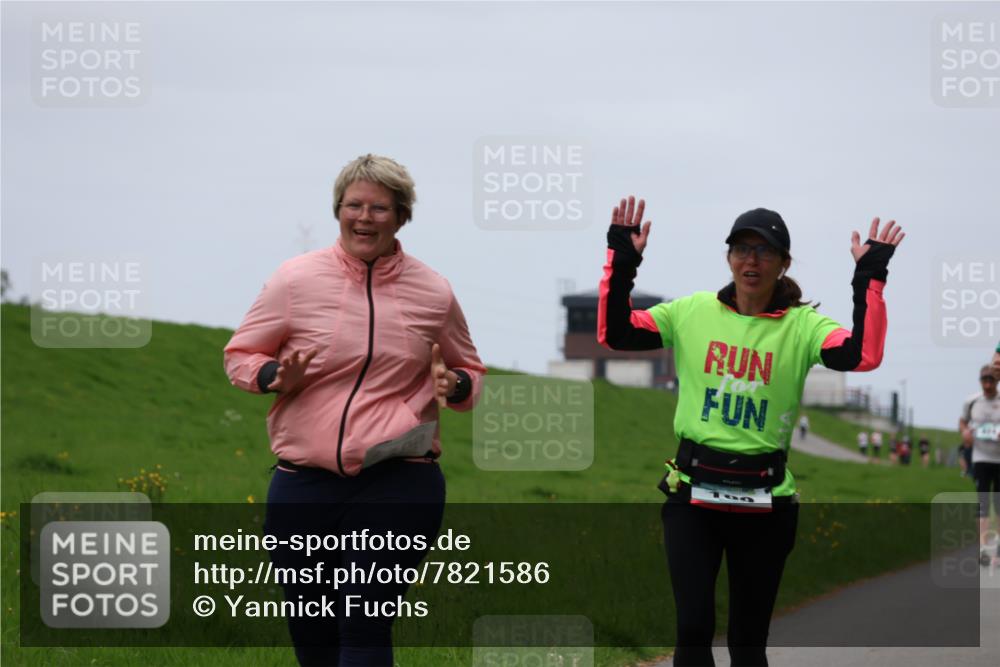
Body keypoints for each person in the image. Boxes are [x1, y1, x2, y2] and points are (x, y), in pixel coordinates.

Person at [598, 198, 903, 666]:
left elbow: (863, 354)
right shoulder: (692, 312)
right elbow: (615, 333)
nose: (751, 260)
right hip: (693, 495)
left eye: (764, 251)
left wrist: (870, 277)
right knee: (693, 629)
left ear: (784, 263)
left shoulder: (802, 326)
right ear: (728, 258)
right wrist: (622, 260)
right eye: (741, 249)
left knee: (746, 641)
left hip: (765, 502)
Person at [223, 154, 486, 666]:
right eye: (354, 206)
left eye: (379, 208)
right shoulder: (294, 281)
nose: (364, 218)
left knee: (365, 619)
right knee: (313, 632)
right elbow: (240, 354)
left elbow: (470, 372)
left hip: (399, 478)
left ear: (402, 215)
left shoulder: (433, 292)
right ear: (338, 210)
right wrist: (276, 377)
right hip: (304, 480)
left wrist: (453, 384)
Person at [959, 364, 1000, 567]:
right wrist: (965, 433)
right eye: (984, 380)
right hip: (981, 457)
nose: (987, 384)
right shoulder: (972, 401)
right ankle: (983, 549)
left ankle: (998, 552)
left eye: (991, 380)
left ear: (997, 381)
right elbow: (962, 422)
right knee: (983, 505)